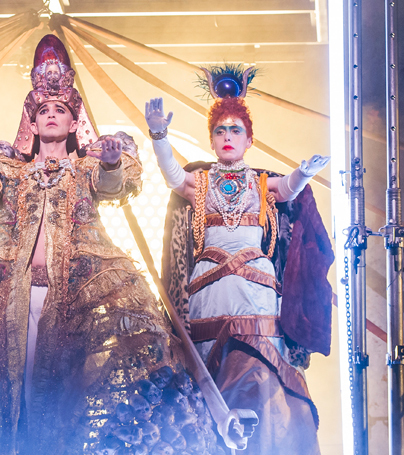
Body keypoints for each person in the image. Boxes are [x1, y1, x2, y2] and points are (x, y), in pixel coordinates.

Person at [0, 34, 226, 455]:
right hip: (8, 298)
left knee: (69, 399)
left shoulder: (86, 166)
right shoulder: (13, 169)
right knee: (14, 400)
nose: (52, 115)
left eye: (61, 110)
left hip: (77, 301)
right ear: (32, 123)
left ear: (73, 122)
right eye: (44, 110)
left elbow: (113, 184)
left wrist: (106, 162)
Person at [148, 65, 334, 455]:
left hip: (256, 289)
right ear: (212, 142)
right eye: (220, 130)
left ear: (249, 140)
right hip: (210, 288)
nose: (228, 136)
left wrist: (303, 172)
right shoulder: (200, 183)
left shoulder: (258, 182)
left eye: (236, 130)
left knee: (261, 372)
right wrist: (159, 136)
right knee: (211, 371)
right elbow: (171, 176)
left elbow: (285, 190)